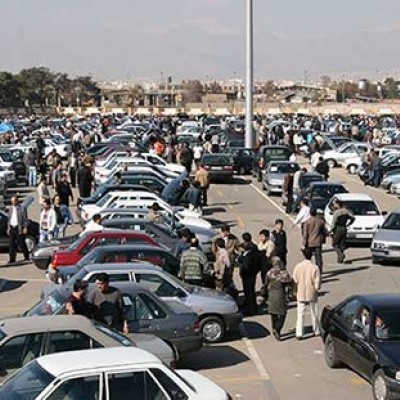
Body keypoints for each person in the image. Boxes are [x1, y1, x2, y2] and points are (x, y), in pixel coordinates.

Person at [293, 248, 321, 340]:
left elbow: (295, 279)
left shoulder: (298, 266)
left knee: (300, 314)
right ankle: (316, 330)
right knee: (314, 312)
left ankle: (299, 333)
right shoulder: (314, 267)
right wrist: (317, 289)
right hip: (311, 292)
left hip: (301, 291)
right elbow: (317, 281)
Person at [265, 257, 292, 340]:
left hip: (271, 295)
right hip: (280, 295)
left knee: (273, 313)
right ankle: (278, 328)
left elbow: (266, 283)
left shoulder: (269, 273)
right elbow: (289, 283)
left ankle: (274, 327)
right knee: (283, 313)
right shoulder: (284, 273)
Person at [301, 208, 326, 273]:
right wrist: (323, 241)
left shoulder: (307, 222)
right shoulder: (321, 222)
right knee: (318, 258)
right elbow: (323, 232)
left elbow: (305, 234)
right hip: (318, 241)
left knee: (308, 258)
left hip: (309, 242)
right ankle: (319, 271)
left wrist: (303, 244)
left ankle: (309, 270)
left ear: (310, 213)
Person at [238, 242, 259, 316]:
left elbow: (245, 265)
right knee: (249, 293)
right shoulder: (250, 254)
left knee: (249, 293)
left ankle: (251, 310)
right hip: (249, 276)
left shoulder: (248, 256)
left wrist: (241, 257)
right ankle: (251, 308)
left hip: (248, 277)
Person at [7, 196, 30, 263]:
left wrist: (25, 227)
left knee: (21, 243)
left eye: (13, 201)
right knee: (12, 244)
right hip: (12, 227)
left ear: (17, 201)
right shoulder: (10, 209)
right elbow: (9, 219)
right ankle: (12, 259)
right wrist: (8, 228)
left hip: (19, 228)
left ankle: (26, 256)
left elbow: (25, 219)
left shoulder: (22, 208)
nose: (12, 203)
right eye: (11, 201)